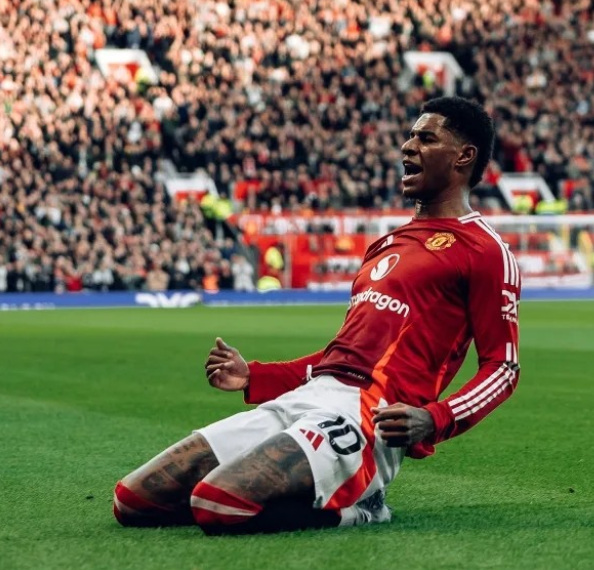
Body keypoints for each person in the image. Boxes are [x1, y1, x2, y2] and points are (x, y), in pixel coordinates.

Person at [113, 97, 521, 534]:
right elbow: (340, 357)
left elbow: (503, 367)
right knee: (133, 501)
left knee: (219, 503)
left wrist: (435, 419)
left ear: (463, 156)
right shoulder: (387, 245)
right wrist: (255, 376)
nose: (408, 146)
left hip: (367, 416)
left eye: (426, 138)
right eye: (410, 136)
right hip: (308, 397)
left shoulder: (484, 249)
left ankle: (362, 507)